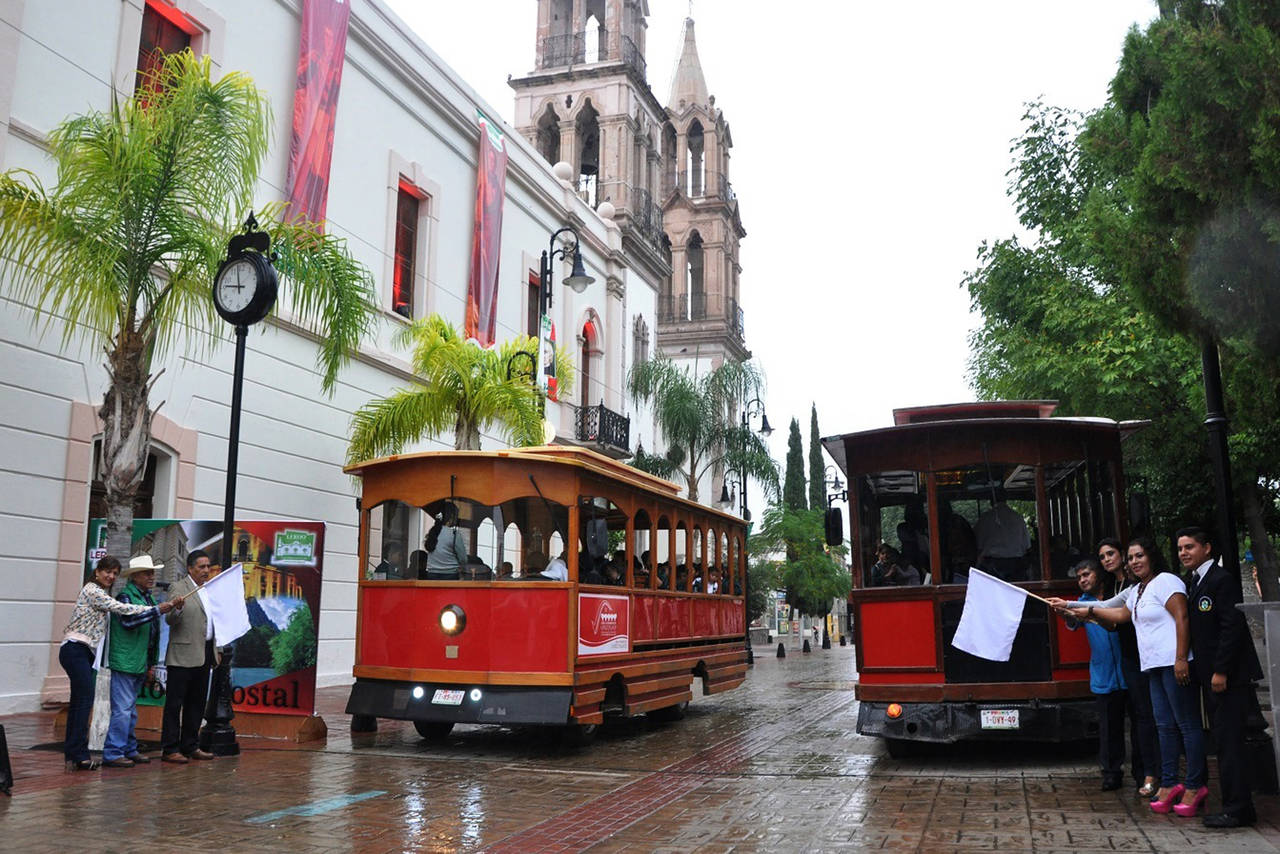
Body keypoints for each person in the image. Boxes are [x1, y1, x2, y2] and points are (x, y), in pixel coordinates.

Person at [1049, 537, 1206, 816]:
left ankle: (1195, 785)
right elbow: (1112, 610)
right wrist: (1068, 606)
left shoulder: (1167, 581)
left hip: (1174, 664)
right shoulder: (1136, 591)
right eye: (1132, 557)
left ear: (1151, 556)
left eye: (1139, 555)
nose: (1134, 561)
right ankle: (1169, 784)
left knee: (1186, 725)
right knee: (1164, 726)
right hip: (1152, 667)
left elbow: (1182, 618)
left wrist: (1182, 658)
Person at [1177, 526, 1262, 828]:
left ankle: (1237, 809)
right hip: (1209, 676)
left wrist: (1221, 670)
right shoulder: (1194, 582)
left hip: (1228, 676)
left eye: (1189, 547)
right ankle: (1237, 805)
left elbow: (1231, 628)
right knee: (1223, 742)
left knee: (1230, 743)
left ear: (1207, 548)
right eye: (1180, 549)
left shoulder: (1220, 580)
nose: (1184, 553)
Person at [59, 555, 176, 770]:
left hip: (85, 651)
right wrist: (157, 610)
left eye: (114, 573)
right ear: (97, 572)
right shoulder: (94, 591)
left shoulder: (106, 593)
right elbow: (122, 609)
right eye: (107, 572)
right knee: (85, 703)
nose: (111, 576)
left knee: (82, 704)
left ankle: (77, 754)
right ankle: (83, 754)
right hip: (76, 648)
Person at [1098, 536, 1159, 799]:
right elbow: (1110, 619)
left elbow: (1114, 613)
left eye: (1111, 553)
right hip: (1125, 656)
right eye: (1102, 557)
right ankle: (1129, 772)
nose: (1107, 559)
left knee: (1144, 716)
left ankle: (1147, 772)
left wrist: (1086, 611)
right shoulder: (1111, 584)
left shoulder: (1136, 585)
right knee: (1128, 715)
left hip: (1143, 653)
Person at [1064, 559, 1127, 791]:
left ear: (1099, 575)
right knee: (1109, 728)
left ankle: (1146, 773)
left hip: (1129, 671)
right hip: (1104, 675)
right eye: (1079, 577)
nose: (1082, 580)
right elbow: (1072, 621)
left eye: (1086, 574)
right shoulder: (1081, 603)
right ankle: (1111, 773)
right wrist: (1066, 613)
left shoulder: (1118, 595)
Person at [102, 555, 167, 768]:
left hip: (137, 660)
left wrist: (150, 663)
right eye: (147, 573)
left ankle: (128, 749)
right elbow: (129, 621)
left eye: (152, 572)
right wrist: (158, 610)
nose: (151, 576)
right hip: (126, 660)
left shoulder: (145, 597)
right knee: (123, 709)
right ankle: (114, 752)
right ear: (136, 576)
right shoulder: (125, 597)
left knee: (129, 709)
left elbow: (152, 633)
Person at [162, 549, 218, 764]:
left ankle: (191, 745)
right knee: (175, 704)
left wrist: (217, 650)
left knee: (196, 703)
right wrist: (176, 609)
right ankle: (170, 748)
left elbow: (212, 622)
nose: (206, 570)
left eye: (208, 566)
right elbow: (170, 620)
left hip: (204, 652)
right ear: (190, 568)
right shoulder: (178, 587)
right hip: (182, 654)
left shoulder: (208, 590)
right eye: (201, 567)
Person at [974, 491, 1031, 580]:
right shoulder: (1018, 518)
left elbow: (978, 544)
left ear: (991, 501)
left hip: (991, 566)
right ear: (1006, 500)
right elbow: (1026, 545)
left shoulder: (985, 518)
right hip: (1016, 566)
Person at [424, 503, 467, 580]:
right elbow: (463, 559)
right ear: (451, 517)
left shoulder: (433, 532)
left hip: (431, 575)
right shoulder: (454, 534)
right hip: (450, 575)